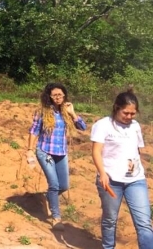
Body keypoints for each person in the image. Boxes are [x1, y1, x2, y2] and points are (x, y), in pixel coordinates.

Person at [91, 89, 153, 249]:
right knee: (110, 219)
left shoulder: (135, 126)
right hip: (111, 180)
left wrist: (139, 169)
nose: (129, 117)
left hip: (135, 180)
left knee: (144, 222)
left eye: (133, 113)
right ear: (116, 107)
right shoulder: (103, 125)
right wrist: (102, 174)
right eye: (126, 113)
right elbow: (96, 151)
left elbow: (136, 151)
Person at [26, 83, 86, 230]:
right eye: (55, 95)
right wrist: (29, 150)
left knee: (64, 186)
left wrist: (73, 113)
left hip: (61, 153)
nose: (58, 98)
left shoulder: (66, 111)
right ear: (49, 97)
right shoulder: (42, 112)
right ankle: (56, 217)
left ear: (64, 95)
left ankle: (48, 198)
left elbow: (83, 128)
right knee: (54, 184)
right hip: (45, 151)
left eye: (60, 95)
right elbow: (34, 131)